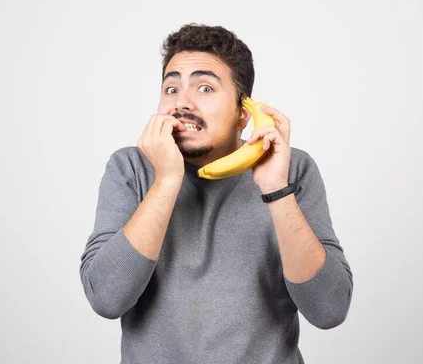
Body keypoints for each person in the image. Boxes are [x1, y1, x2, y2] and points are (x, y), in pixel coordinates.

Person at [80, 23, 353, 364]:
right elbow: (106, 298)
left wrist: (276, 191)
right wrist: (166, 181)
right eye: (171, 88)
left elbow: (328, 309)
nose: (182, 103)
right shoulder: (131, 167)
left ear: (243, 113)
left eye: (205, 88)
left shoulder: (291, 169)